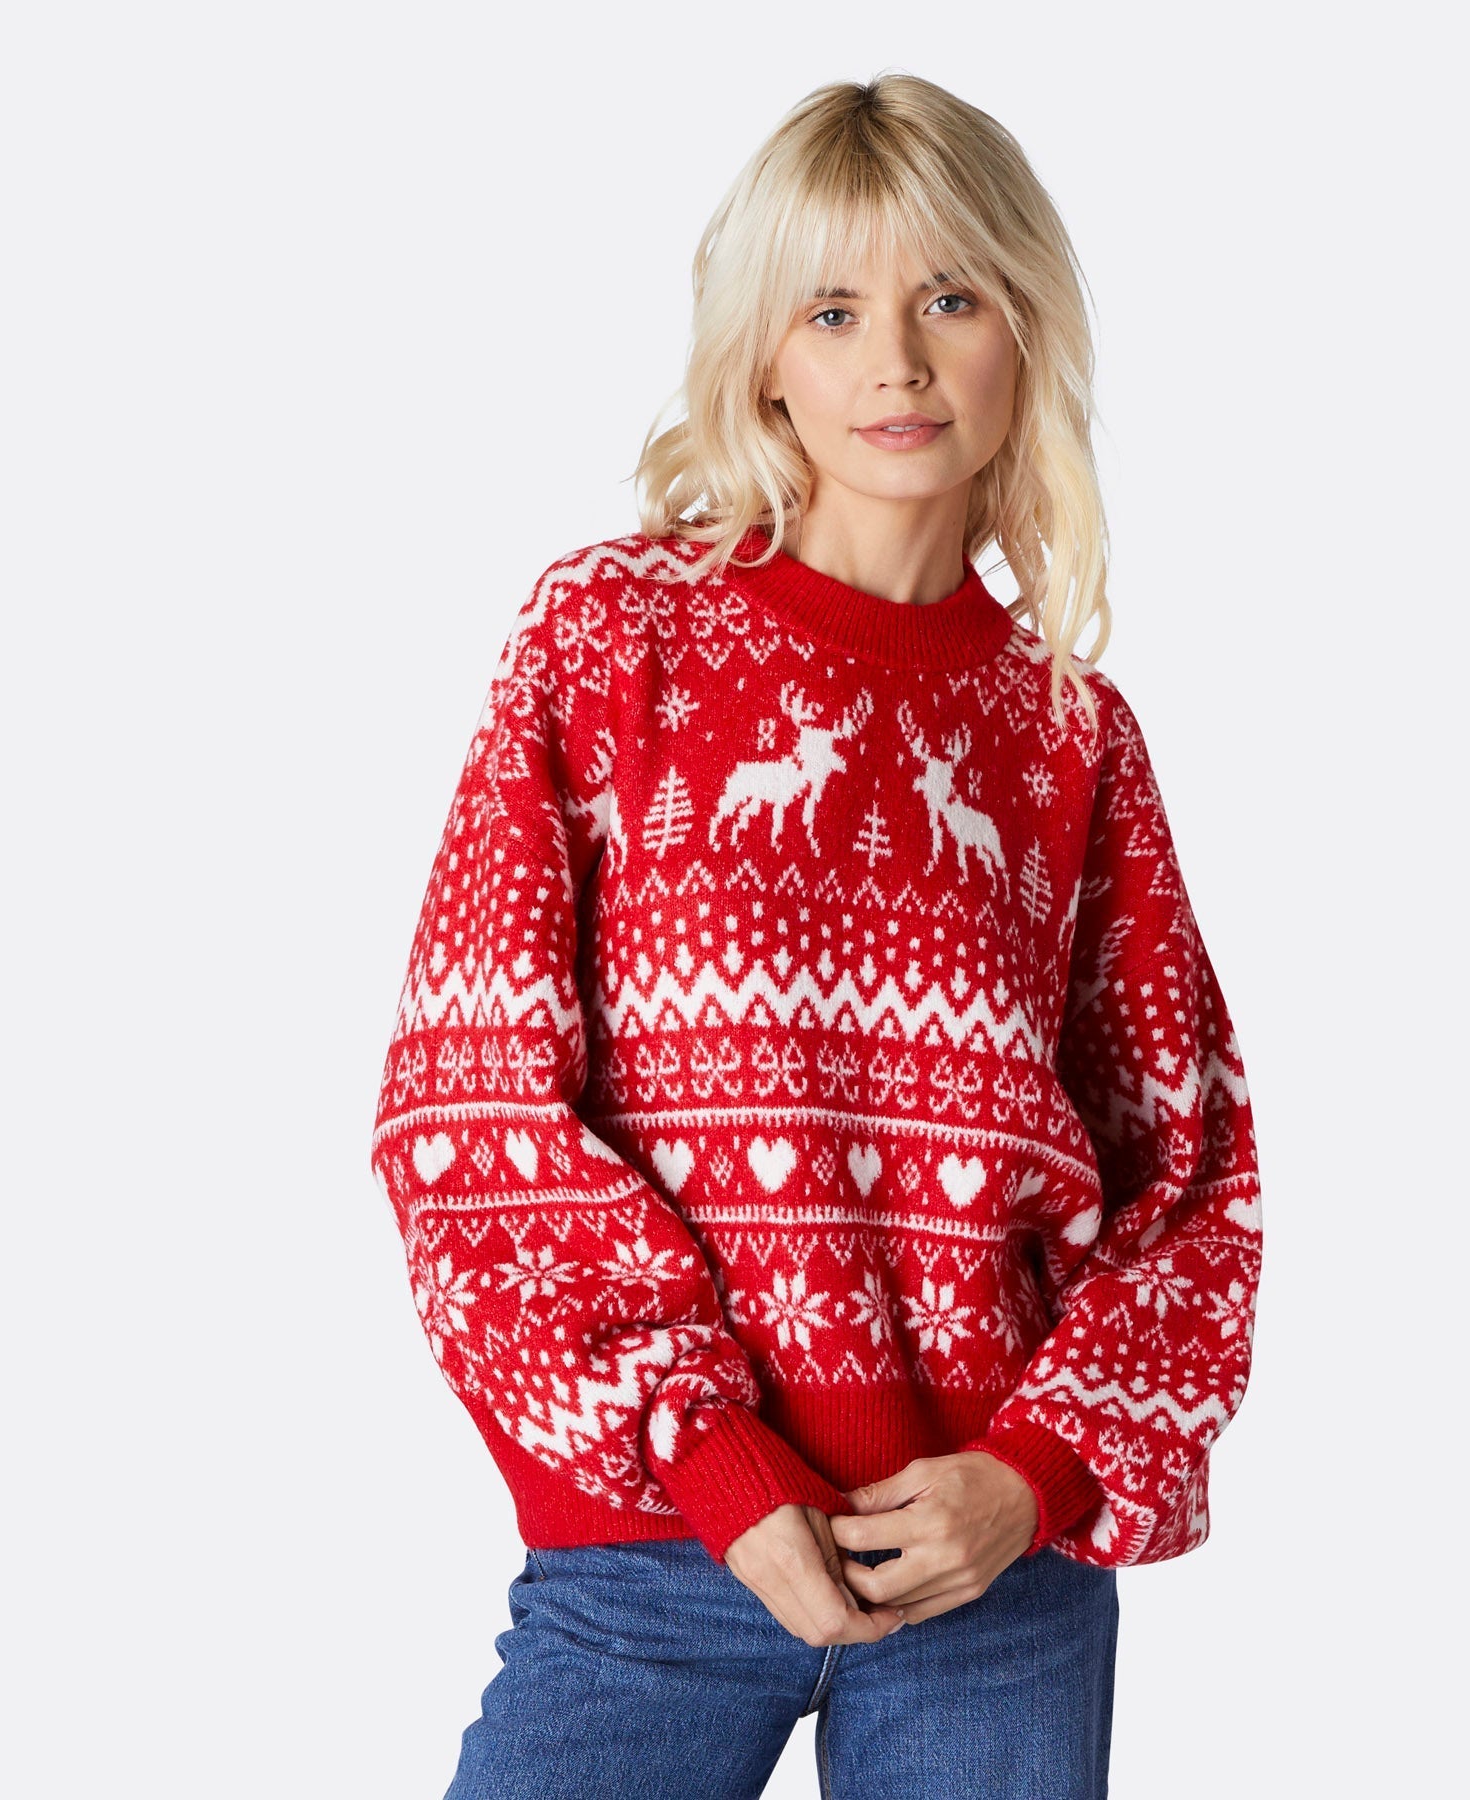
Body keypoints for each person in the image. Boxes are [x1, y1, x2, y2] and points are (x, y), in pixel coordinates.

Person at [369, 69, 1263, 1800]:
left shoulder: (1072, 737)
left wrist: (1039, 1471)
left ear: (1025, 335)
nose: (897, 364)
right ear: (763, 358)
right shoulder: (608, 645)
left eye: (953, 299)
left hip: (991, 1580)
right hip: (654, 1551)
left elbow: (1191, 1183)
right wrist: (705, 1450)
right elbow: (465, 1106)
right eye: (834, 310)